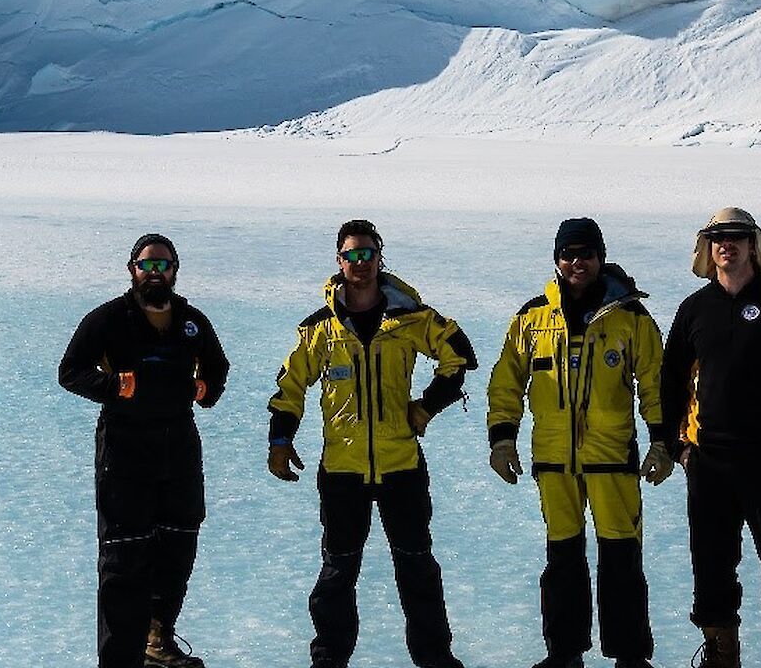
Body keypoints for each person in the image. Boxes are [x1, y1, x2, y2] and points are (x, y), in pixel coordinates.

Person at [266, 219, 480, 668]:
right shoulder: (320, 330)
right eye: (351, 256)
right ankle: (329, 660)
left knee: (417, 567)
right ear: (339, 261)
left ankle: (435, 659)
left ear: (380, 259)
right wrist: (281, 440)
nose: (360, 264)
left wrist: (425, 407)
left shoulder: (408, 319)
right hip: (342, 470)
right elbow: (291, 386)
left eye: (368, 255)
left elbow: (459, 355)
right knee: (338, 572)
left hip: (401, 464)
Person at [487, 218, 673, 668]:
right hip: (554, 461)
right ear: (556, 260)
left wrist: (662, 442)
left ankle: (630, 657)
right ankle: (564, 653)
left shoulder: (630, 317)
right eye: (568, 254)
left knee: (621, 560)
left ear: (600, 257)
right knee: (563, 560)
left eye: (586, 254)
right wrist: (502, 439)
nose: (577, 263)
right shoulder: (532, 318)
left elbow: (655, 383)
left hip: (613, 459)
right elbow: (506, 382)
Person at [659, 208, 761, 668]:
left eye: (735, 237)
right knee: (711, 569)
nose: (725, 245)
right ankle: (720, 654)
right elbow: (670, 381)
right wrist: (677, 447)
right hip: (708, 463)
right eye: (717, 237)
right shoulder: (695, 309)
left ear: (754, 245)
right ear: (706, 247)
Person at [58, 234, 231, 668]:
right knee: (124, 557)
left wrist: (206, 389)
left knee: (178, 545)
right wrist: (111, 387)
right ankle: (120, 660)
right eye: (146, 265)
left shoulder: (192, 322)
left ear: (175, 270)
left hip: (179, 449)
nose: (155, 273)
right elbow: (70, 371)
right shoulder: (109, 320)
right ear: (131, 269)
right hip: (125, 451)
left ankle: (158, 640)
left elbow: (218, 366)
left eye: (163, 266)